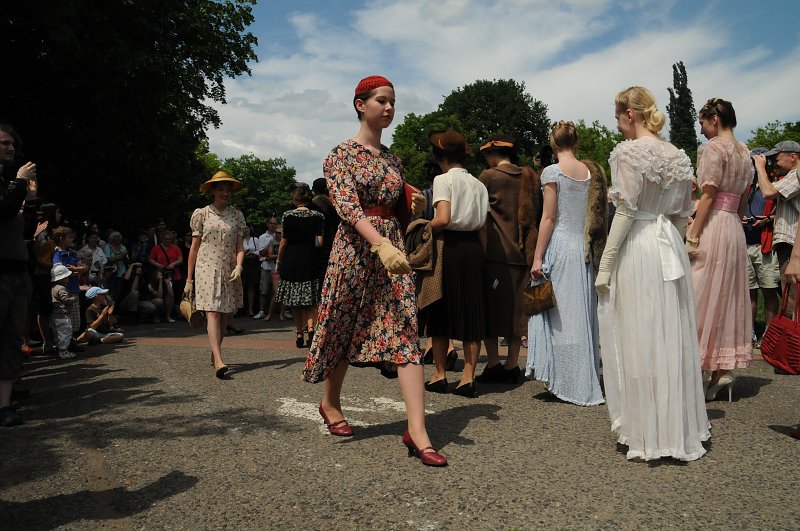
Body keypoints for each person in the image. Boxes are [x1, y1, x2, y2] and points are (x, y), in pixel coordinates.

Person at [302, 75, 445, 466]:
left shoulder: (393, 160)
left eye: (393, 102)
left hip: (391, 250)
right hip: (355, 249)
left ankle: (418, 431)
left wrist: (409, 204)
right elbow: (347, 206)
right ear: (359, 104)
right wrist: (378, 242)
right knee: (342, 325)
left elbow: (397, 201)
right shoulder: (340, 155)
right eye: (381, 100)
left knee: (405, 328)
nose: (389, 108)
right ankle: (330, 404)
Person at [595, 86, 710, 461]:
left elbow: (626, 212)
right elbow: (680, 214)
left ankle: (647, 430)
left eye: (617, 117)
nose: (618, 126)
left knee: (639, 332)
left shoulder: (628, 152)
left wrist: (606, 264)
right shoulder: (678, 154)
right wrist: (676, 250)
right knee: (669, 332)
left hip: (641, 244)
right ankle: (675, 426)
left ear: (630, 114)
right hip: (668, 245)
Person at [527, 121, 606, 406]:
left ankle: (564, 380)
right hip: (582, 246)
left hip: (560, 245)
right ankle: (581, 376)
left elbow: (548, 218)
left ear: (553, 143)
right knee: (581, 313)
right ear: (577, 141)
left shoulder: (552, 172)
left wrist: (537, 257)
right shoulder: (590, 173)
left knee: (558, 315)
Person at [686, 98, 753, 401]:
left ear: (714, 119)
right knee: (726, 297)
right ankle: (719, 373)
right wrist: (735, 230)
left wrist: (694, 234)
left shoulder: (714, 148)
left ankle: (698, 372)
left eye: (702, 122)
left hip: (714, 223)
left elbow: (709, 194)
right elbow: (740, 203)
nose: (701, 129)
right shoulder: (745, 152)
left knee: (699, 293)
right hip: (734, 229)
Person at [417, 130, 488, 398]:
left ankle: (439, 374)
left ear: (440, 157)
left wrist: (423, 228)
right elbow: (483, 229)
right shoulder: (479, 185)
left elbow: (443, 218)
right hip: (474, 251)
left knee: (439, 309)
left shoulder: (442, 180)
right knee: (471, 312)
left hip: (448, 247)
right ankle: (468, 377)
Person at [476, 134, 540, 384]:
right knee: (518, 312)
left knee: (490, 312)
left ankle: (493, 363)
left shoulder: (489, 177)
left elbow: (480, 219)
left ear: (493, 154)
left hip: (496, 253)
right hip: (525, 253)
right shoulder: (529, 176)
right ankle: (513, 363)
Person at [185, 171, 245, 379]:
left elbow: (240, 246)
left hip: (228, 269)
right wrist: (188, 279)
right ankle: (219, 359)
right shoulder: (201, 214)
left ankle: (215, 353)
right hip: (205, 267)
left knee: (224, 314)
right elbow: (194, 247)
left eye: (228, 189)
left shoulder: (237, 215)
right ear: (212, 191)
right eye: (221, 189)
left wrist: (239, 266)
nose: (225, 193)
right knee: (212, 312)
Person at [0, 123, 37, 426]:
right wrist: (19, 183)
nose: (10, 148)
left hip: (17, 271)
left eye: (11, 144)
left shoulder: (9, 182)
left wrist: (31, 201)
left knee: (12, 338)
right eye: (3, 143)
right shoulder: (9, 183)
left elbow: (24, 229)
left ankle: (4, 404)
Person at [753, 140, 800, 311]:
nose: (773, 163)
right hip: (789, 245)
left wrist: (759, 167)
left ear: (793, 157)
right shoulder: (791, 177)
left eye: (776, 159)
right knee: (790, 296)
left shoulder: (796, 174)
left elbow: (768, 193)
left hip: (792, 247)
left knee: (793, 298)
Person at [276, 183, 324, 348]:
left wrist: (279, 261)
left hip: (292, 260)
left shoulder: (287, 216)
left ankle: (298, 333)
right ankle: (311, 327)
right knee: (311, 299)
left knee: (295, 301)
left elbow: (283, 242)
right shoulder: (318, 216)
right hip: (310, 259)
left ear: (294, 199)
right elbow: (320, 242)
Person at [743, 147, 779, 345]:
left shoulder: (774, 183)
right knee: (749, 290)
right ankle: (750, 332)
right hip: (745, 241)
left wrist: (767, 219)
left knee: (769, 289)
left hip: (766, 243)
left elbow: (780, 211)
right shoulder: (746, 185)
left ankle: (769, 334)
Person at [310, 177, 341, 297]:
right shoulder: (335, 203)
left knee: (318, 274)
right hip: (333, 242)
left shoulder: (315, 203)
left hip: (319, 242)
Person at [147, 230, 181, 322]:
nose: (168, 241)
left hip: (172, 274)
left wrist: (173, 264)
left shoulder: (175, 248)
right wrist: (159, 265)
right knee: (160, 295)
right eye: (166, 239)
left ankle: (168, 315)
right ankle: (156, 316)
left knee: (171, 295)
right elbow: (150, 259)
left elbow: (180, 259)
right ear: (162, 239)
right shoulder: (156, 248)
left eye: (170, 239)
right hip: (160, 273)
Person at [50, 264, 78, 360]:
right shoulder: (61, 289)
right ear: (62, 278)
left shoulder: (53, 288)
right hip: (63, 315)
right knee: (65, 333)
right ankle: (63, 352)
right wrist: (74, 298)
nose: (68, 279)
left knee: (58, 334)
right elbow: (65, 300)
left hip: (56, 315)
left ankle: (58, 349)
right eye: (67, 277)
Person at [254, 217, 278, 320]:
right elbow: (261, 252)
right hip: (266, 265)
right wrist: (271, 245)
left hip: (277, 266)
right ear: (267, 224)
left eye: (275, 223)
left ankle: (281, 311)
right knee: (263, 289)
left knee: (277, 290)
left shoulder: (280, 236)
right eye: (271, 223)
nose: (273, 225)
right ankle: (262, 311)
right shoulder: (262, 237)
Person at [241, 224, 261, 317]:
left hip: (253, 262)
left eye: (247, 228)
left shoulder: (255, 239)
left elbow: (259, 250)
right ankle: (240, 308)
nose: (246, 230)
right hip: (243, 262)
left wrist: (253, 252)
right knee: (243, 285)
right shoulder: (240, 240)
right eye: (244, 228)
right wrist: (244, 253)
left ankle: (250, 309)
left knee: (252, 285)